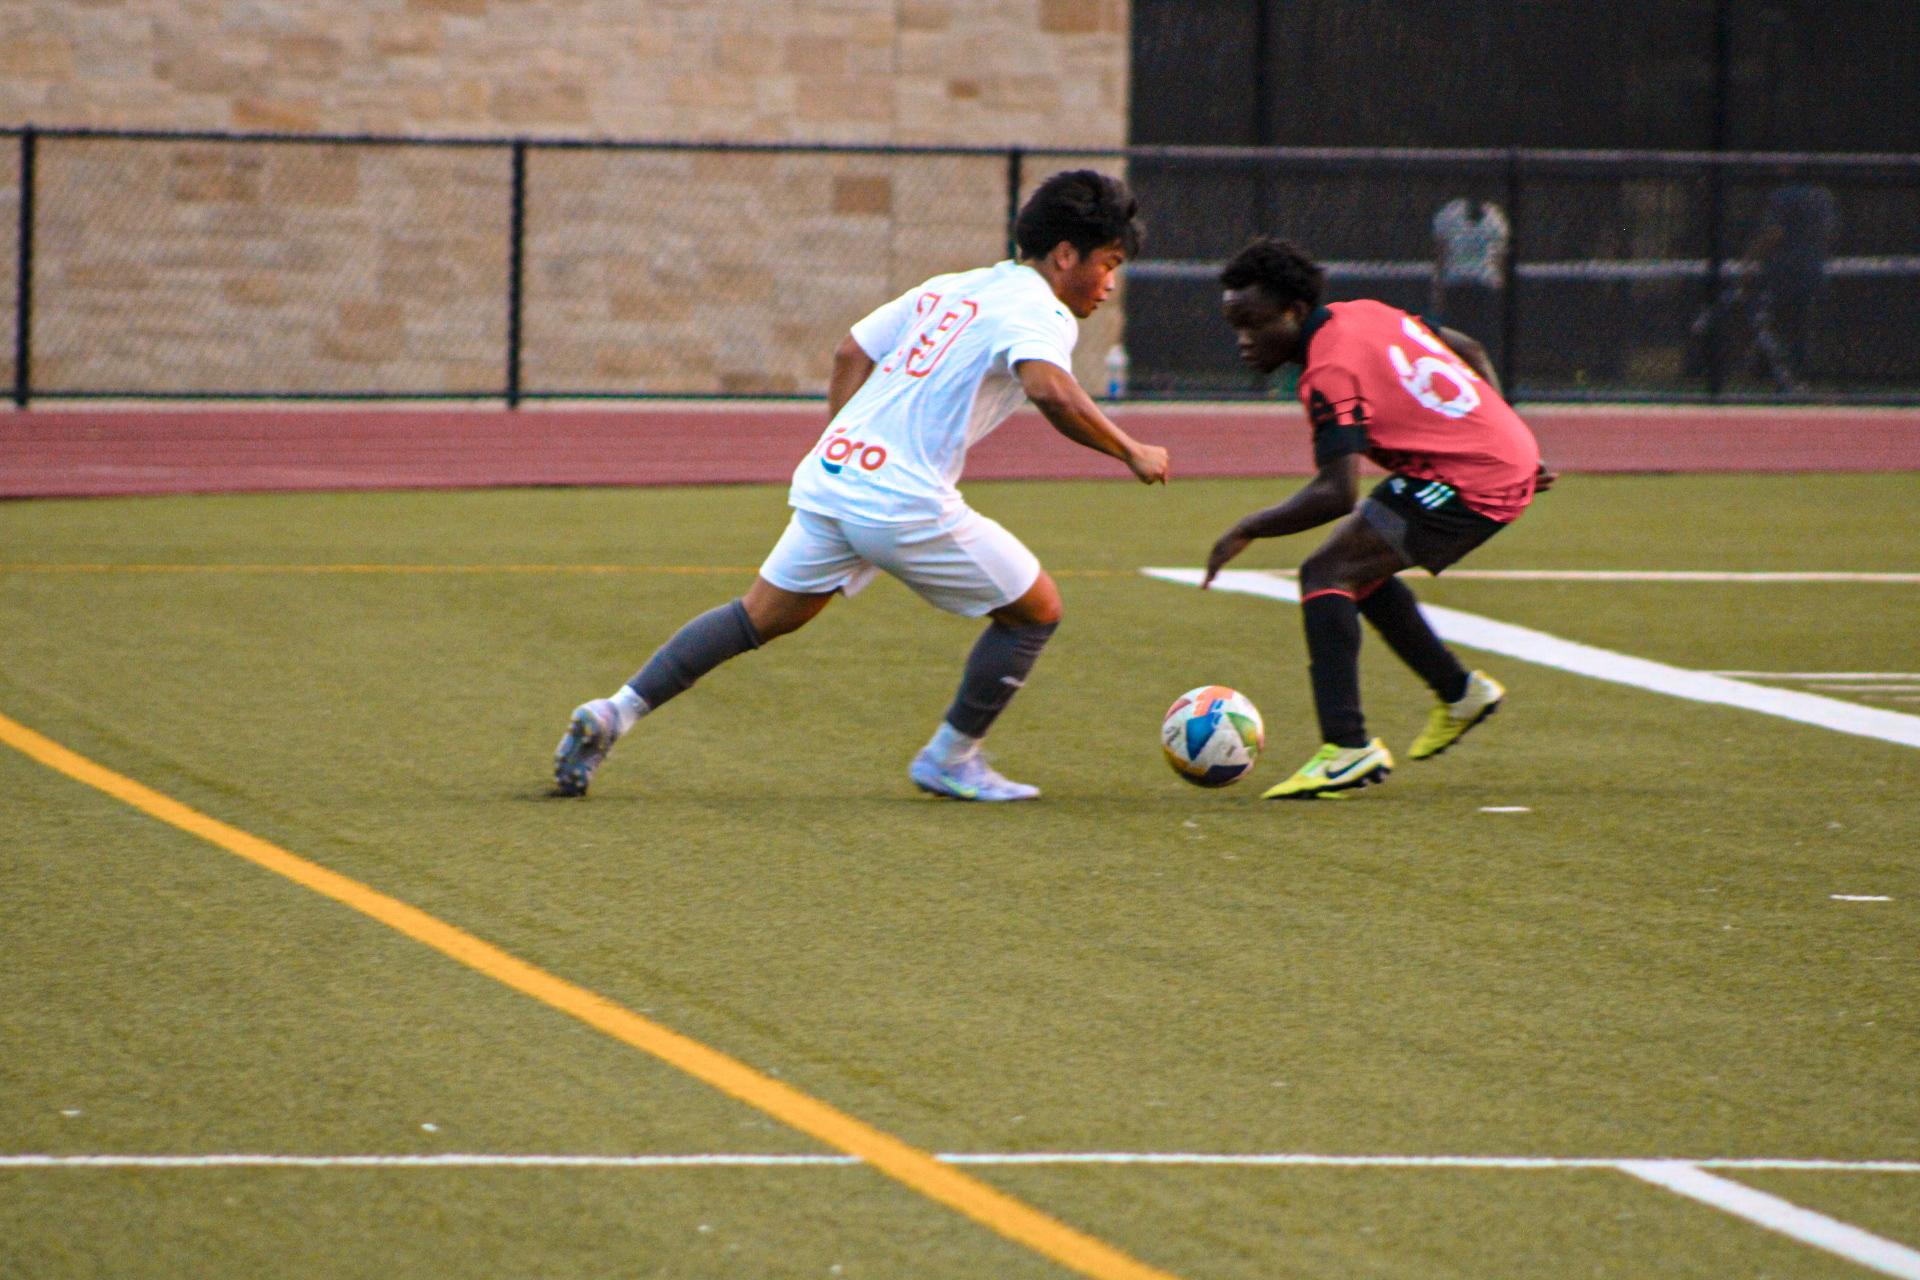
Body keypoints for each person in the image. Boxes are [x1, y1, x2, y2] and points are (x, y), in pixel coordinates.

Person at [553, 170, 1170, 801]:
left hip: (835, 475)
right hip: (899, 501)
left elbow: (852, 351)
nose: (1111, 284)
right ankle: (950, 758)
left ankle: (613, 712)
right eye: (1109, 262)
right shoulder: (1041, 308)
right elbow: (1047, 387)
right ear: (1066, 254)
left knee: (755, 617)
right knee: (1035, 611)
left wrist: (840, 448)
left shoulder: (954, 287)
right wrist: (1130, 449)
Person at [1202, 236, 1551, 800]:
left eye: (1252, 324)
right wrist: (1509, 435)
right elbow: (1471, 350)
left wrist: (1249, 527)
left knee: (1326, 573)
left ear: (1293, 312)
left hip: (1467, 484)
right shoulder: (1363, 312)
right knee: (1356, 568)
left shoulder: (1329, 371)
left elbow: (1337, 491)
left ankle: (1347, 749)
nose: (1242, 341)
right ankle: (1459, 692)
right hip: (1471, 464)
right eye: (1233, 326)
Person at [1430, 197, 1509, 370]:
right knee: (1459, 340)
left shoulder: (1494, 217)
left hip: (1479, 289)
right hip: (1460, 288)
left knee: (1478, 341)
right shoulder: (1450, 214)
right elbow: (1441, 256)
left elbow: (1499, 259)